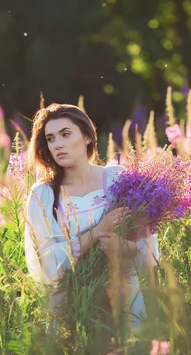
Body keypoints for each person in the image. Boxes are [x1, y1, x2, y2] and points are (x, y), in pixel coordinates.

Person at [24, 103, 159, 332]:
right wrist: (98, 231)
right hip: (70, 305)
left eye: (65, 134)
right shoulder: (43, 194)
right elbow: (48, 264)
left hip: (124, 298)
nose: (58, 144)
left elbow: (149, 248)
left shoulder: (117, 179)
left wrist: (124, 248)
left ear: (87, 137)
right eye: (50, 138)